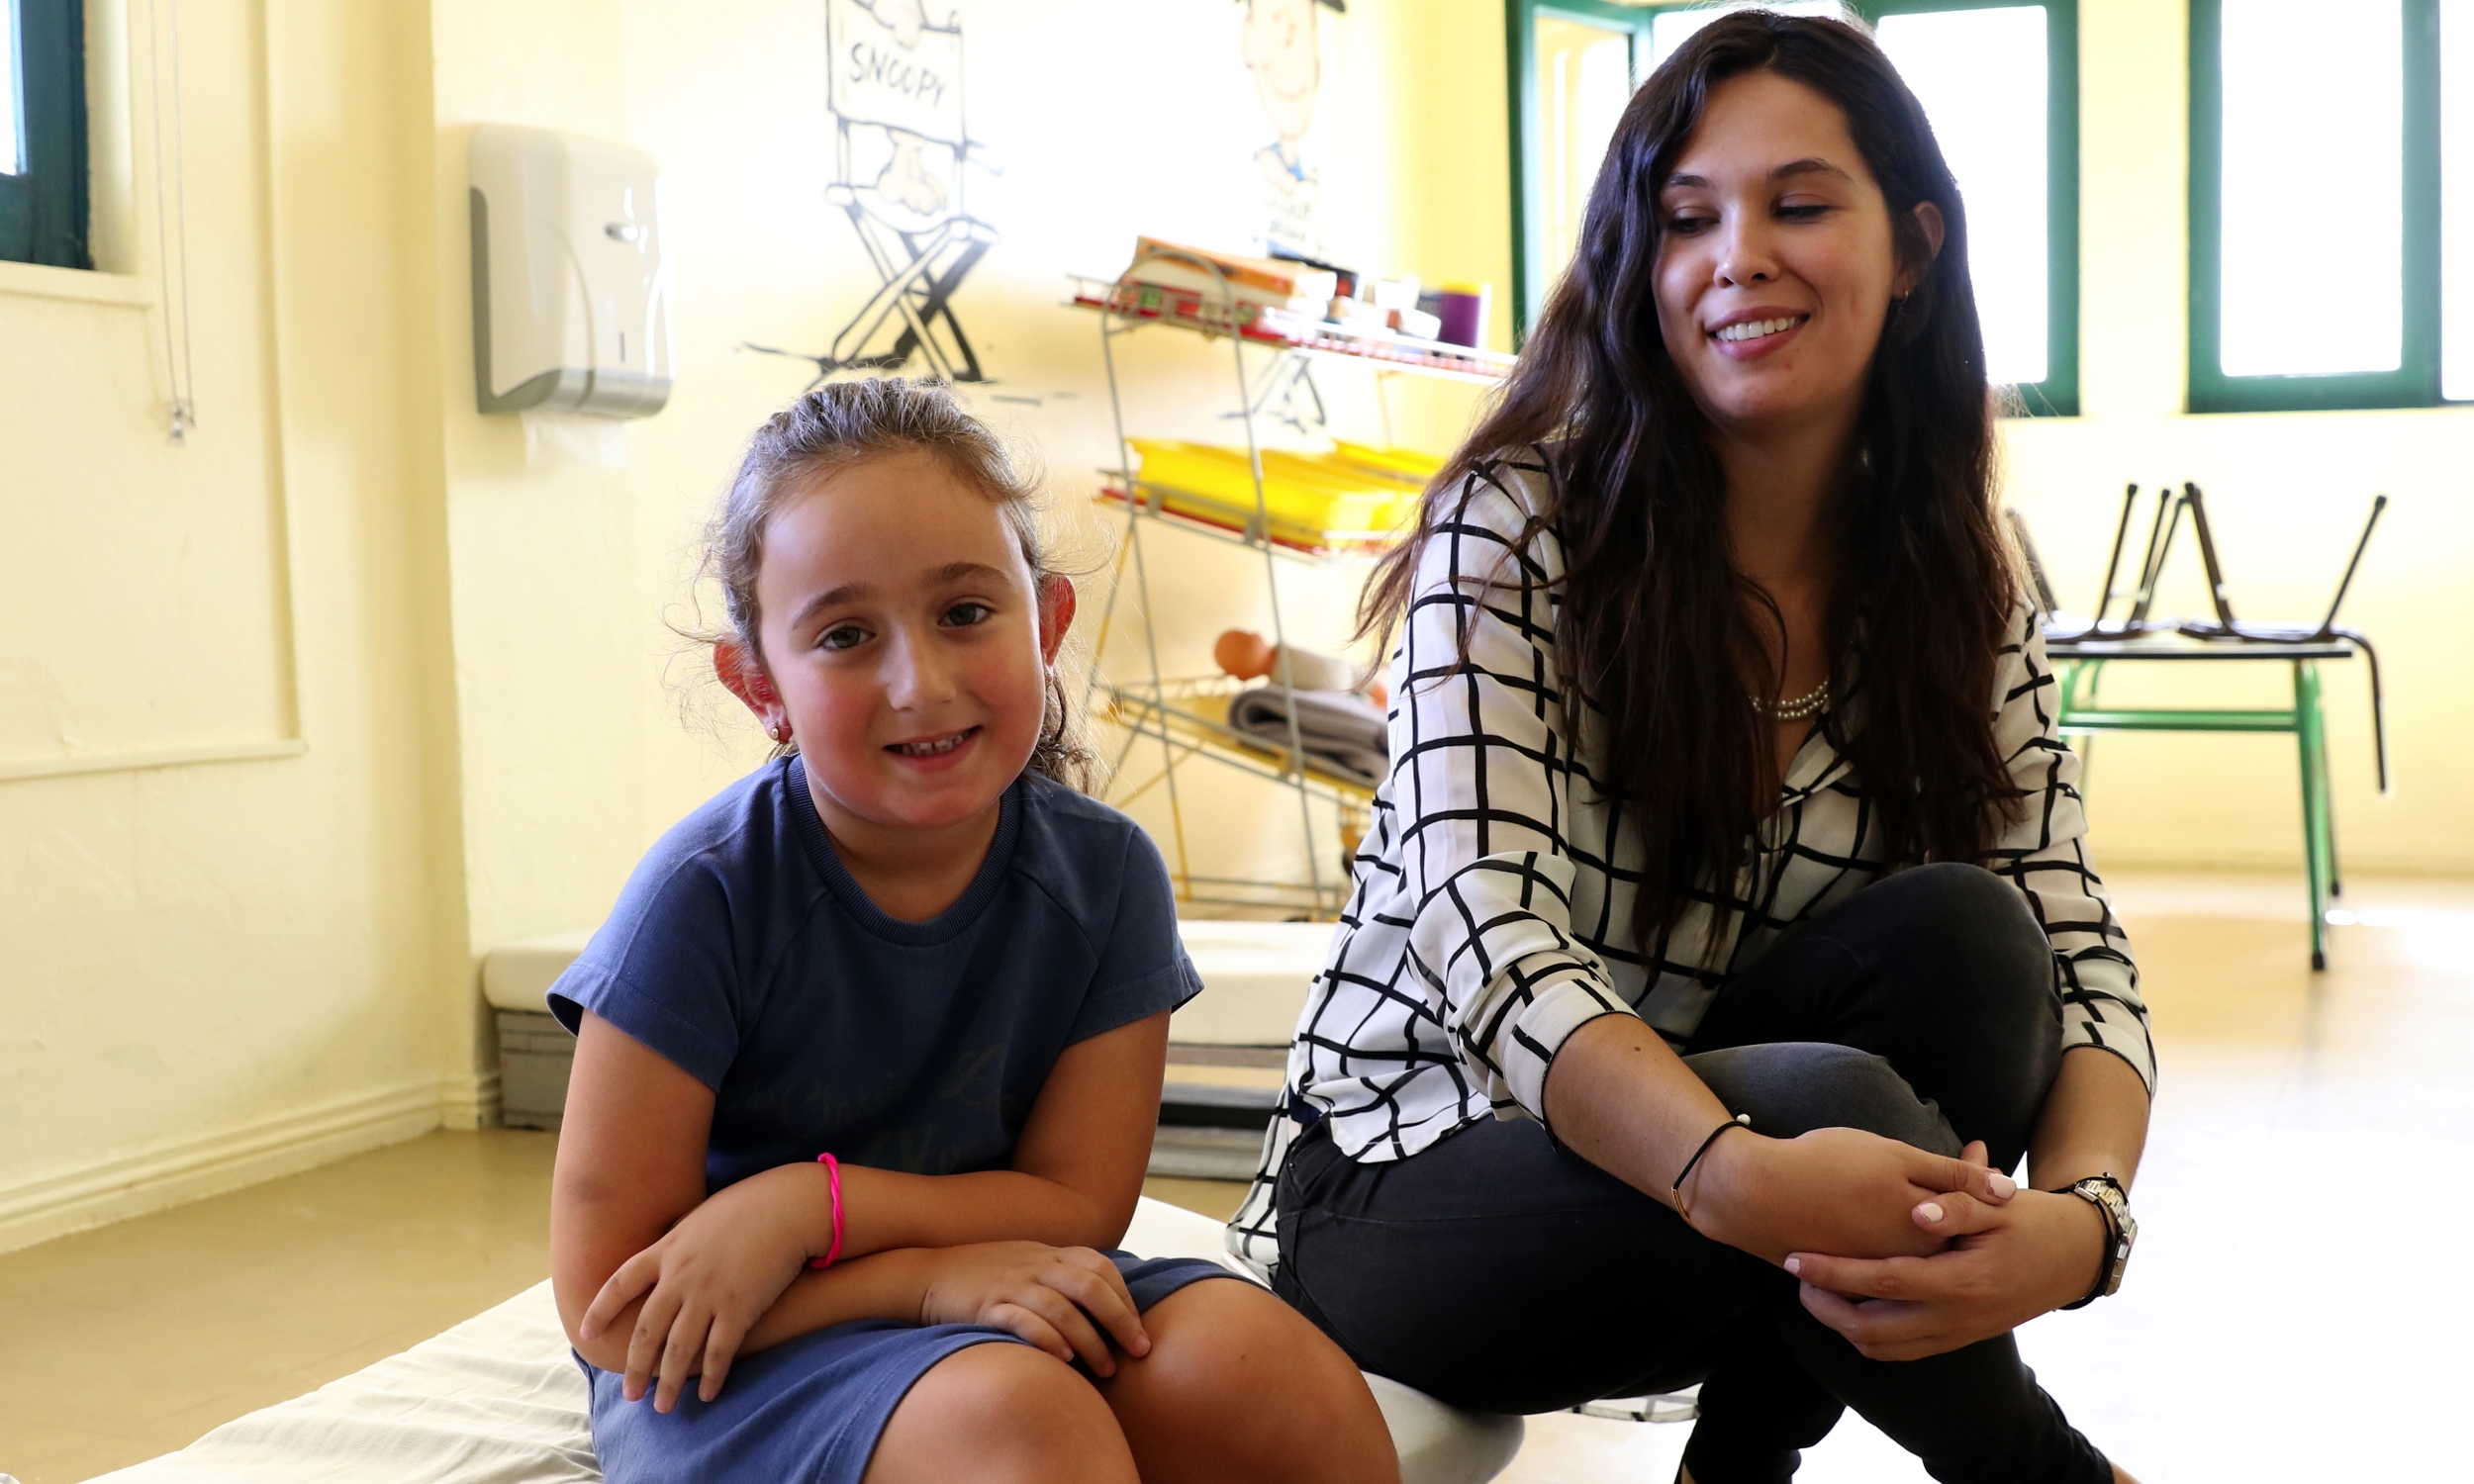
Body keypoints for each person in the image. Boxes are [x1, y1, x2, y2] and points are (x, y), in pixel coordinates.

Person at [1226, 13, 2153, 1484]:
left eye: (1799, 205)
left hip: (1723, 1187)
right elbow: (1489, 931)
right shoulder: (1518, 526)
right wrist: (1738, 1173)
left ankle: (1741, 1464)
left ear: (1911, 249)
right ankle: (2046, 1473)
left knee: (1974, 949)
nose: (1739, 258)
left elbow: (2072, 941)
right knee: (1822, 1105)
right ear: (1636, 265)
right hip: (1411, 1186)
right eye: (1685, 218)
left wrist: (2083, 1222)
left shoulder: (1963, 578)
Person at [546, 379, 1399, 1484]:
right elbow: (609, 1310)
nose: (921, 681)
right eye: (846, 635)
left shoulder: (1105, 876)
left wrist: (811, 1201)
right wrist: (919, 1281)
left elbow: (1078, 1207)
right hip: (751, 1346)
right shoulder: (701, 897)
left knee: (1267, 1369)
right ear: (760, 684)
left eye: (964, 612)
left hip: (1003, 1280)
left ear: (1045, 623)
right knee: (1021, 1419)